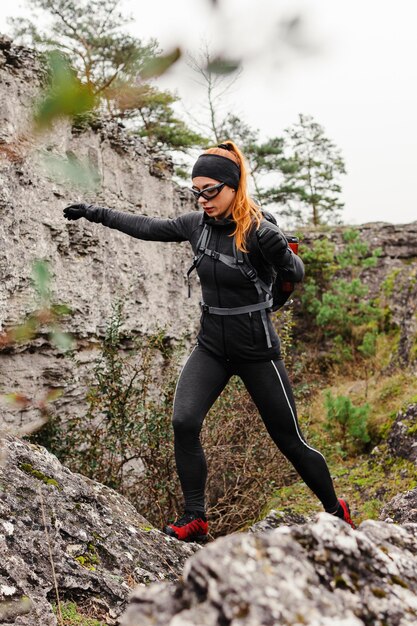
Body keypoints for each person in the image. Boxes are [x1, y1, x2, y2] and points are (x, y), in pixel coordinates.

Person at [63, 140, 356, 542]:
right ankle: (195, 518)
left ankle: (337, 513)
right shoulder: (195, 226)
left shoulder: (258, 229)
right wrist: (95, 213)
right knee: (184, 422)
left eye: (211, 190)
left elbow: (296, 270)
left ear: (233, 187)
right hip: (212, 347)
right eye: (196, 191)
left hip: (257, 350)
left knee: (290, 440)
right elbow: (148, 227)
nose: (202, 199)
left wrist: (284, 257)